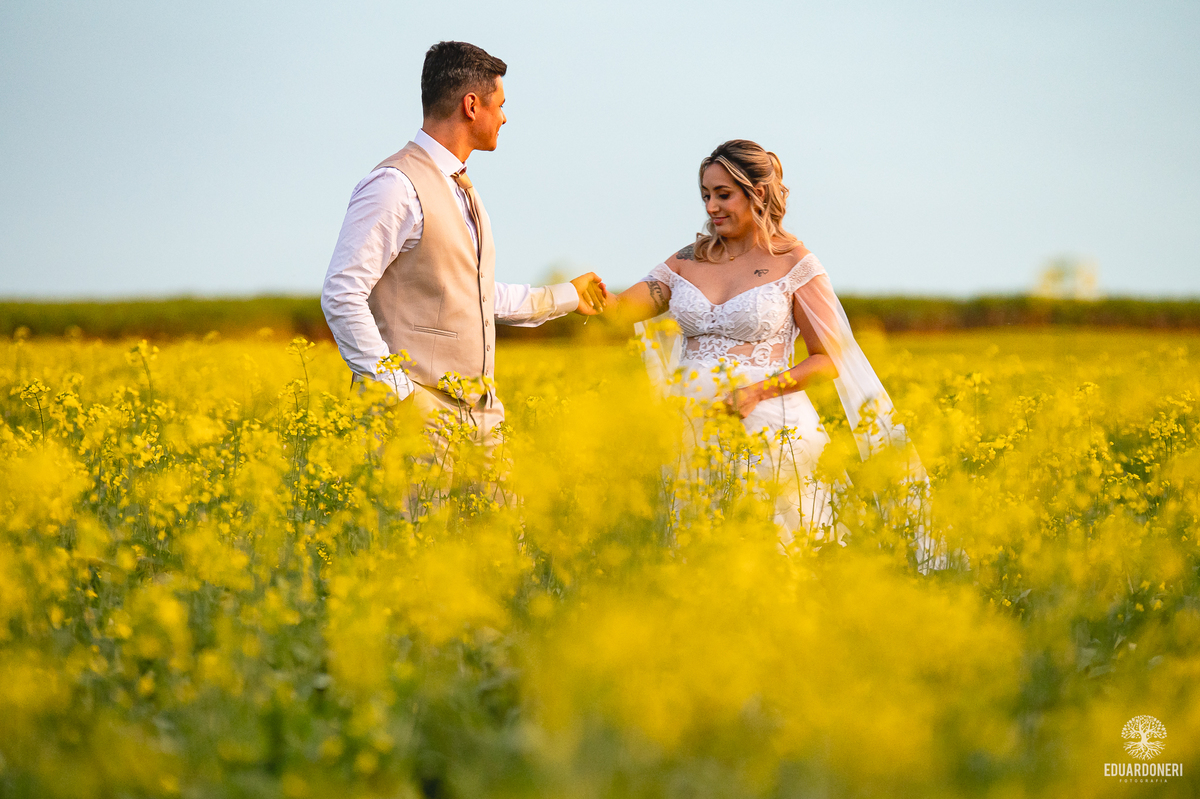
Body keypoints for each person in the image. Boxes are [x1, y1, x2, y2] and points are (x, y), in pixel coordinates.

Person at [608, 139, 947, 573]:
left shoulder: (794, 263)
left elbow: (828, 359)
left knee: (780, 559)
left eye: (723, 194)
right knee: (697, 561)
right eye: (706, 195)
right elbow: (620, 313)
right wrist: (578, 295)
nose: (712, 206)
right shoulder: (687, 261)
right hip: (690, 429)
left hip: (771, 431)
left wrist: (756, 392)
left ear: (758, 194)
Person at [321, 41, 608, 447]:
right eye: (501, 104)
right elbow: (342, 294)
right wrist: (399, 395)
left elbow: (472, 296)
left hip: (481, 420)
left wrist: (566, 296)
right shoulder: (394, 185)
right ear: (471, 106)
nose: (505, 118)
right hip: (416, 424)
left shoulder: (461, 189)